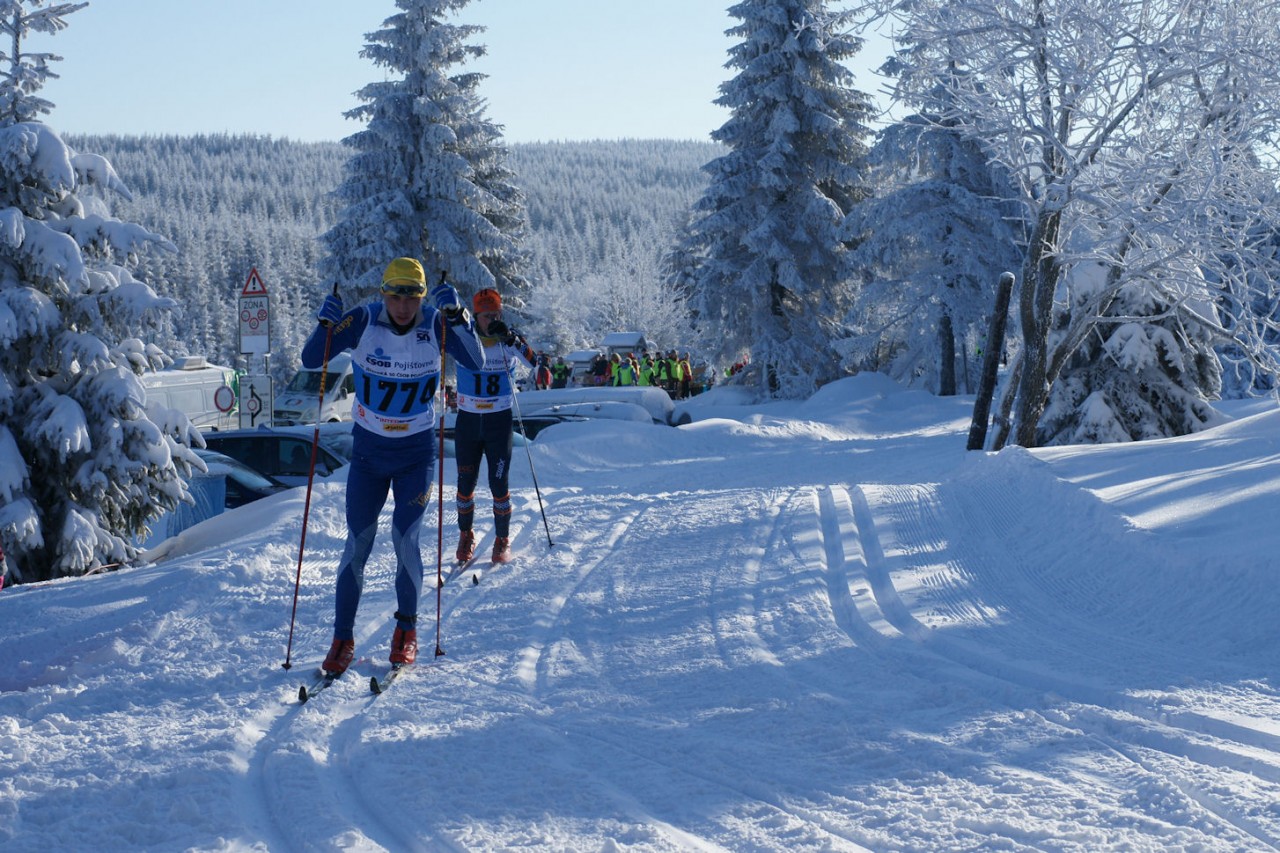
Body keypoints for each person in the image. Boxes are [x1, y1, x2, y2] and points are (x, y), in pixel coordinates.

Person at [305, 257, 484, 677]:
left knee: (405, 539)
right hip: (368, 455)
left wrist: (460, 319)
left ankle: (406, 631)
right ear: (383, 293)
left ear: (422, 297)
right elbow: (312, 358)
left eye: (413, 297)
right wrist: (324, 325)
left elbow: (475, 362)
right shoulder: (364, 320)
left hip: (415, 456)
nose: (404, 306)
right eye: (395, 296)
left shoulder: (437, 325)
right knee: (358, 544)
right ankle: (342, 637)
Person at [452, 288, 537, 566]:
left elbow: (535, 362)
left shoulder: (508, 338)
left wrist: (512, 339)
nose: (493, 319)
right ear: (476, 316)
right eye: (487, 315)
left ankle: (502, 539)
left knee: (498, 483)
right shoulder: (465, 338)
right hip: (468, 421)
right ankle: (466, 534)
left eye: (497, 314)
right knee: (465, 483)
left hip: (498, 422)